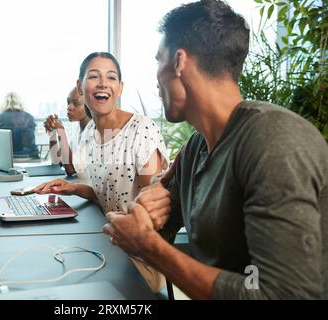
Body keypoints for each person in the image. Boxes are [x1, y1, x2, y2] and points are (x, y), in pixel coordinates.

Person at [102, 0, 328, 300]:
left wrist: (148, 246)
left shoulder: (274, 142)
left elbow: (282, 295)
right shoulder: (195, 148)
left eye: (159, 61)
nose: (156, 78)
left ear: (179, 62)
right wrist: (147, 206)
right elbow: (159, 227)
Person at [34, 52, 170, 293]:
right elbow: (106, 194)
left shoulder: (142, 130)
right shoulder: (89, 135)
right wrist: (74, 188)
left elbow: (153, 211)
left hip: (140, 257)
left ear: (120, 88)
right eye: (94, 76)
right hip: (106, 243)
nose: (103, 83)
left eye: (111, 77)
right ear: (80, 86)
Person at [43, 86, 92, 176]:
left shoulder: (94, 132)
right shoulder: (78, 130)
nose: (69, 107)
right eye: (68, 102)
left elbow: (71, 169)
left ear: (90, 106)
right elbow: (57, 160)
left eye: (76, 104)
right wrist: (53, 132)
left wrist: (61, 131)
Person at [0, 92, 39, 158]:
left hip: (5, 156)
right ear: (20, 103)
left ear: (4, 103)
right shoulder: (29, 117)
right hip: (29, 155)